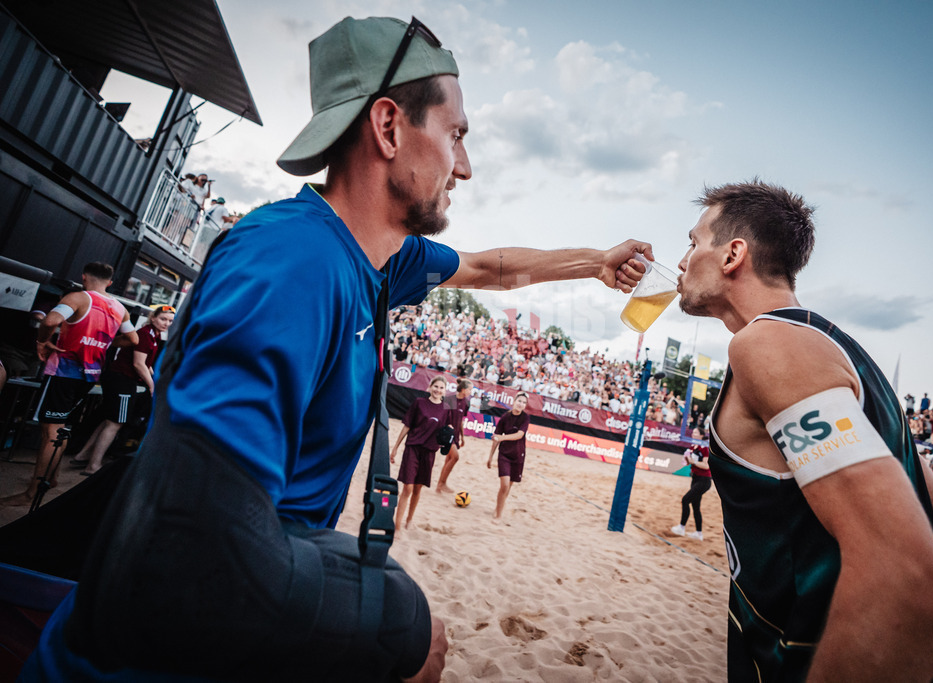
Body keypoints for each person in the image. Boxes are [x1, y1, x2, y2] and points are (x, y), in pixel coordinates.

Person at [22, 16, 652, 682]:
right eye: (456, 135)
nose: (464, 167)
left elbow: (486, 268)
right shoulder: (291, 260)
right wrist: (393, 624)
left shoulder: (378, 257)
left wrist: (595, 262)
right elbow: (193, 553)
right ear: (388, 127)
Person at [673, 180, 933, 681]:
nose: (682, 261)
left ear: (732, 255)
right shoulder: (843, 354)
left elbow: (912, 577)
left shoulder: (769, 345)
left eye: (693, 242)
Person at [1, 262, 136, 508]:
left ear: (84, 277)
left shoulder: (78, 297)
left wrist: (42, 341)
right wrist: (105, 344)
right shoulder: (120, 308)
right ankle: (51, 478)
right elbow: (133, 338)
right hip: (89, 375)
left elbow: (50, 321)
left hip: (63, 373)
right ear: (110, 282)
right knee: (60, 428)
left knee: (50, 432)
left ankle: (32, 492)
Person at [66, 305, 174, 475]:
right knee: (116, 423)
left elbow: (146, 365)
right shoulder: (145, 334)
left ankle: (83, 456)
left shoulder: (155, 335)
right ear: (153, 318)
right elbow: (138, 364)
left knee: (109, 420)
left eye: (170, 321)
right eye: (163, 319)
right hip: (122, 380)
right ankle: (93, 466)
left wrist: (157, 381)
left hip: (120, 379)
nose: (166, 323)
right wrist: (152, 386)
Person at [390, 376, 454, 531]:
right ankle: (397, 526)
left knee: (418, 489)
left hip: (429, 452)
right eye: (436, 386)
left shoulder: (446, 408)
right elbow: (407, 426)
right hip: (413, 448)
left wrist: (448, 437)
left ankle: (409, 520)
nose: (438, 390)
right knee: (408, 488)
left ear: (445, 391)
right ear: (430, 386)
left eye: (441, 388)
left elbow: (447, 430)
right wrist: (396, 447)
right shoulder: (419, 403)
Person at [487, 391, 530, 522]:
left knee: (508, 487)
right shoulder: (505, 417)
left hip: (518, 456)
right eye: (519, 401)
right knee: (504, 485)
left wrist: (502, 438)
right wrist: (490, 457)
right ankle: (498, 515)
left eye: (524, 402)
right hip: (504, 454)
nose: (521, 404)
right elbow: (496, 438)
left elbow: (519, 435)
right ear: (514, 401)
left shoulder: (525, 418)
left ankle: (497, 508)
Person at [670, 427, 712, 541]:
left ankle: (681, 527)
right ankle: (699, 533)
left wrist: (693, 461)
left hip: (704, 480)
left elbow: (706, 466)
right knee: (695, 506)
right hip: (695, 478)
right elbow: (690, 463)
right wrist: (687, 459)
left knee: (685, 500)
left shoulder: (704, 448)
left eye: (696, 432)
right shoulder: (693, 447)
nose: (693, 434)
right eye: (693, 432)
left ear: (701, 435)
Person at [435, 378, 472, 494]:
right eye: (470, 389)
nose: (471, 392)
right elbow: (441, 416)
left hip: (456, 435)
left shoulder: (466, 402)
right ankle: (442, 483)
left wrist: (462, 437)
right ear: (463, 389)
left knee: (449, 459)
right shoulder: (450, 399)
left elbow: (460, 421)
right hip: (446, 434)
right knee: (455, 457)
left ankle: (439, 486)